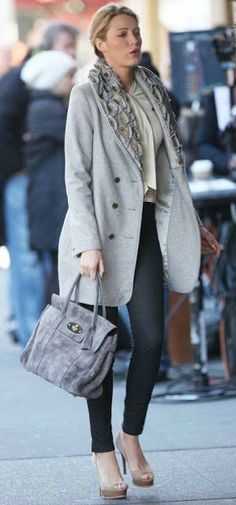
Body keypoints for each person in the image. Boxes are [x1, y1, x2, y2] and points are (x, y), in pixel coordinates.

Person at [58, 4, 222, 500]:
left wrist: (195, 224)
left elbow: (171, 170)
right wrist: (86, 241)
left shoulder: (153, 90)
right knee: (99, 351)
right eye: (122, 34)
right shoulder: (86, 97)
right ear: (101, 43)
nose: (133, 41)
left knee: (150, 341)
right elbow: (77, 175)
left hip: (150, 226)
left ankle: (129, 437)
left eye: (135, 32)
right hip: (101, 236)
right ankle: (101, 452)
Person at [0, 22, 79, 346]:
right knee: (27, 257)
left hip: (28, 178)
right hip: (20, 179)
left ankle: (27, 324)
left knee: (34, 257)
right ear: (48, 48)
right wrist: (21, 163)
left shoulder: (41, 85)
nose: (70, 52)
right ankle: (32, 329)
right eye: (65, 45)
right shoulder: (24, 82)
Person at [21, 50, 76, 296]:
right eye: (68, 76)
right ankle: (55, 334)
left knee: (59, 276)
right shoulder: (46, 109)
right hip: (53, 206)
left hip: (51, 204)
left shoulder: (46, 106)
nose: (71, 82)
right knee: (60, 280)